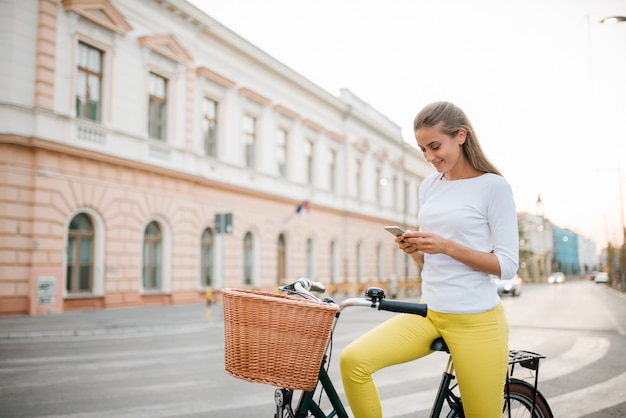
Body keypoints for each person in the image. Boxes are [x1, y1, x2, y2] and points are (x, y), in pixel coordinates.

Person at [339, 101, 519, 417]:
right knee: (353, 361)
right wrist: (417, 252)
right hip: (430, 313)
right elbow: (432, 260)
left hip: (476, 322)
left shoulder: (493, 186)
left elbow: (507, 266)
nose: (429, 157)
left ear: (461, 136)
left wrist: (447, 246)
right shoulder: (429, 186)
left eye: (435, 146)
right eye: (423, 149)